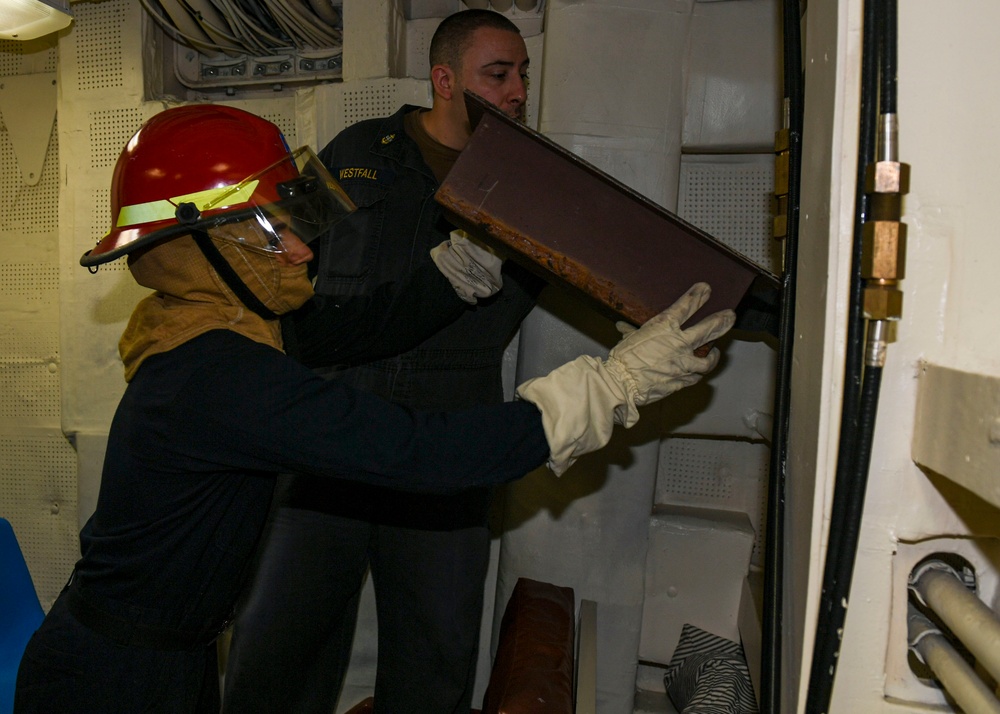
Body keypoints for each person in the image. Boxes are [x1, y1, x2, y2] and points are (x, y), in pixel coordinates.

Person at [12, 104, 734, 714]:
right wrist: (614, 386)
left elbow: (349, 328)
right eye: (272, 231)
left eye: (296, 221)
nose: (300, 249)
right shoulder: (217, 373)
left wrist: (452, 273)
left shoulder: (210, 325)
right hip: (114, 680)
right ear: (201, 246)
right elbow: (424, 453)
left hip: (163, 657)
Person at [222, 10, 542, 714]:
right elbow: (273, 250)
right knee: (278, 642)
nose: (519, 90)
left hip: (448, 435)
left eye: (523, 74)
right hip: (329, 427)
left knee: (436, 654)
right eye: (500, 74)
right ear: (445, 79)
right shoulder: (360, 151)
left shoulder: (527, 187)